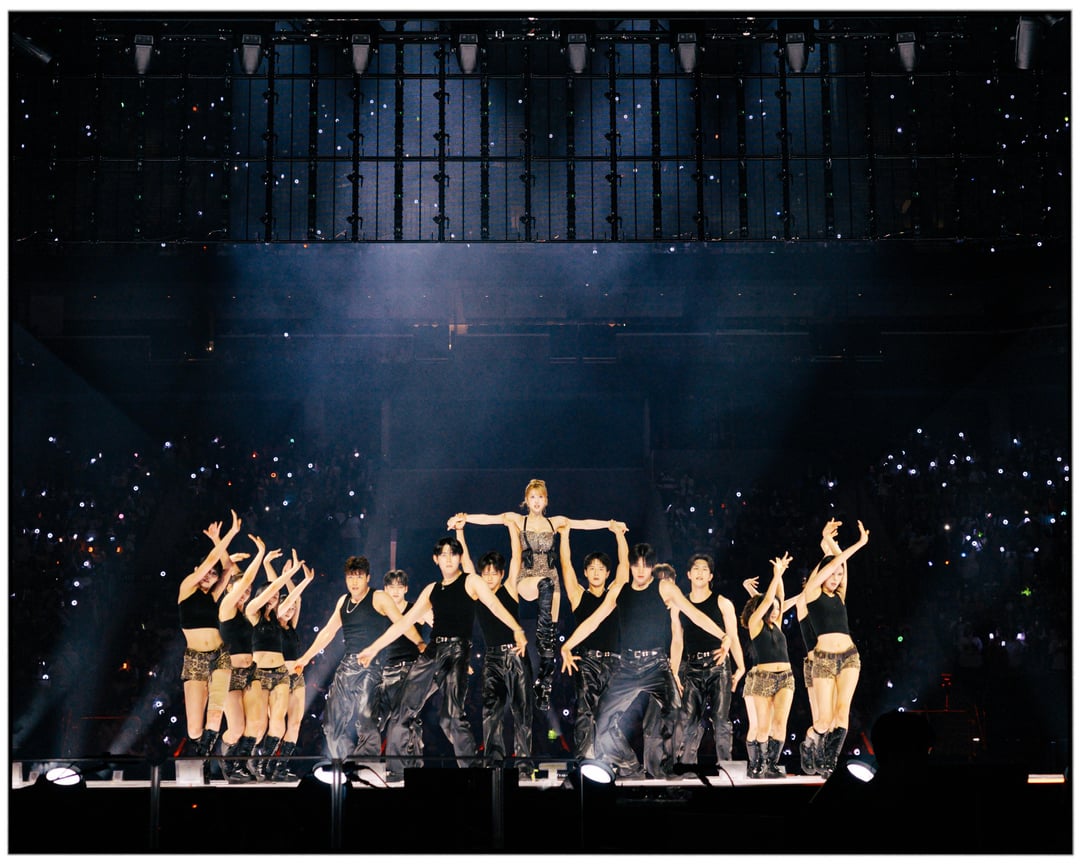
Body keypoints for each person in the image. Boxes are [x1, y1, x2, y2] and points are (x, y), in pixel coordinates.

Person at [356, 535, 528, 782]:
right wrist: (373, 648)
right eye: (443, 554)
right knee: (402, 709)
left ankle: (473, 771)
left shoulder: (471, 581)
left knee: (450, 717)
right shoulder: (432, 589)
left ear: (459, 557)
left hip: (457, 651)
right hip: (432, 651)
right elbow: (403, 622)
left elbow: (494, 605)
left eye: (453, 554)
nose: (448, 559)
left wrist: (517, 629)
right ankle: (398, 770)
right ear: (436, 559)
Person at [560, 541, 734, 780]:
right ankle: (631, 767)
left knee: (677, 714)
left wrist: (723, 635)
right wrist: (567, 645)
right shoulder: (619, 591)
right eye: (636, 565)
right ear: (630, 566)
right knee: (601, 719)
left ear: (652, 567)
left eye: (646, 565)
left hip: (656, 665)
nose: (641, 570)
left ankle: (671, 769)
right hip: (628, 666)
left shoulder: (664, 588)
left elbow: (694, 614)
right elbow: (593, 621)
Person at [451, 479, 617, 710]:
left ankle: (543, 685)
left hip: (551, 577)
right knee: (544, 585)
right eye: (532, 497)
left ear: (546, 500)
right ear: (526, 501)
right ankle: (540, 640)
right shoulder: (519, 520)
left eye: (540, 497)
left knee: (550, 639)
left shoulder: (555, 522)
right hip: (528, 578)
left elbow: (584, 523)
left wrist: (610, 524)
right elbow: (491, 518)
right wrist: (465, 519)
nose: (536, 501)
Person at [293, 555, 425, 765]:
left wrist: (419, 642)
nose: (354, 582)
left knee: (366, 720)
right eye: (350, 577)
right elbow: (327, 632)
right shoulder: (343, 602)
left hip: (372, 666)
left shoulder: (379, 598)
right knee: (331, 724)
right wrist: (305, 658)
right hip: (347, 666)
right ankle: (349, 763)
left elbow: (402, 623)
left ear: (368, 578)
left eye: (359, 577)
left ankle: (366, 764)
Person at [453, 517, 533, 771]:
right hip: (492, 658)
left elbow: (517, 557)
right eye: (485, 573)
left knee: (522, 710)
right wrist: (460, 531)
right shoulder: (477, 591)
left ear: (501, 574)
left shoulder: (510, 588)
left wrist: (512, 529)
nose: (488, 577)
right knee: (491, 710)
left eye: (493, 573)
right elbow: (465, 563)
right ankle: (494, 763)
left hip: (516, 654)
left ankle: (523, 765)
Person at [803, 519, 870, 778]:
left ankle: (829, 763)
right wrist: (857, 544)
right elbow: (833, 563)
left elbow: (840, 564)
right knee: (825, 720)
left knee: (842, 714)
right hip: (823, 660)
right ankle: (810, 741)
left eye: (840, 575)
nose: (836, 578)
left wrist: (830, 542)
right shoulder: (811, 592)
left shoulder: (839, 595)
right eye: (832, 574)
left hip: (850, 657)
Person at [556, 520, 628, 760]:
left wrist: (619, 535)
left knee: (612, 715)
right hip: (587, 662)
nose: (596, 572)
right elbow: (566, 565)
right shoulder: (578, 595)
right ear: (585, 572)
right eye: (592, 568)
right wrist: (564, 535)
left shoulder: (614, 594)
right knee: (585, 712)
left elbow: (624, 567)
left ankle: (614, 762)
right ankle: (585, 761)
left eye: (601, 569)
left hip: (614, 662)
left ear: (607, 573)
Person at [177, 510, 242, 761]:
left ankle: (203, 761)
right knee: (194, 729)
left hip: (220, 658)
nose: (209, 576)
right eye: (206, 572)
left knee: (215, 716)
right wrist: (226, 536)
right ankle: (199, 753)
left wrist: (222, 539)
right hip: (195, 659)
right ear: (197, 570)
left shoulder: (214, 596)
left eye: (213, 574)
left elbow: (228, 568)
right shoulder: (186, 587)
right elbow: (213, 560)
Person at [672, 553, 746, 771]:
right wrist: (674, 671)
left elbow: (733, 636)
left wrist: (741, 666)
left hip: (718, 665)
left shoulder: (722, 603)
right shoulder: (679, 605)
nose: (700, 573)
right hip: (692, 667)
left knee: (721, 719)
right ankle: (687, 770)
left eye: (705, 569)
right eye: (696, 568)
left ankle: (727, 770)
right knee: (689, 721)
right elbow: (677, 640)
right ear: (688, 574)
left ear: (711, 576)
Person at [236, 551, 305, 780]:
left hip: (283, 675)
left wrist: (302, 579)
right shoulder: (252, 612)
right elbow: (273, 589)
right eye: (271, 595)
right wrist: (273, 567)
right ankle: (242, 762)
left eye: (277, 596)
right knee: (258, 724)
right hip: (259, 674)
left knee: (280, 725)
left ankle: (266, 765)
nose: (275, 598)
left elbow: (293, 599)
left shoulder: (279, 618)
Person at [215, 534, 269, 782]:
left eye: (248, 591)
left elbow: (239, 576)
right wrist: (260, 554)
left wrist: (223, 550)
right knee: (236, 728)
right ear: (229, 589)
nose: (246, 593)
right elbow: (241, 578)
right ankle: (227, 760)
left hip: (251, 673)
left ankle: (241, 764)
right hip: (229, 674)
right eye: (241, 590)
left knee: (256, 726)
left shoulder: (247, 613)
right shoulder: (226, 608)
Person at [739, 551, 795, 779]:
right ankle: (758, 764)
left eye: (778, 609)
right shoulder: (755, 623)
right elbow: (771, 598)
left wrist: (780, 575)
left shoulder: (777, 623)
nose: (776, 611)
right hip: (763, 678)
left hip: (786, 677)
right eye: (772, 608)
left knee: (779, 724)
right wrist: (776, 574)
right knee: (762, 727)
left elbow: (779, 596)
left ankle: (771, 765)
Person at [266, 555, 315, 782]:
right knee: (276, 724)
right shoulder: (272, 624)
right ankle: (265, 763)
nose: (290, 610)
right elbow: (288, 601)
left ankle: (281, 766)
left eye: (293, 608)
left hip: (296, 678)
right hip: (277, 678)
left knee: (294, 723)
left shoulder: (292, 626)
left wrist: (290, 579)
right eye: (287, 607)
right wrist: (285, 576)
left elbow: (299, 600)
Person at [375, 569, 429, 762]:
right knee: (376, 719)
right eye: (391, 587)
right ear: (385, 589)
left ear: (405, 588)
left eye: (399, 586)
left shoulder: (416, 610)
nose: (395, 591)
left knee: (406, 721)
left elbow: (439, 625)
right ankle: (369, 763)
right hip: (386, 671)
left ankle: (408, 765)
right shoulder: (380, 613)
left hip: (411, 671)